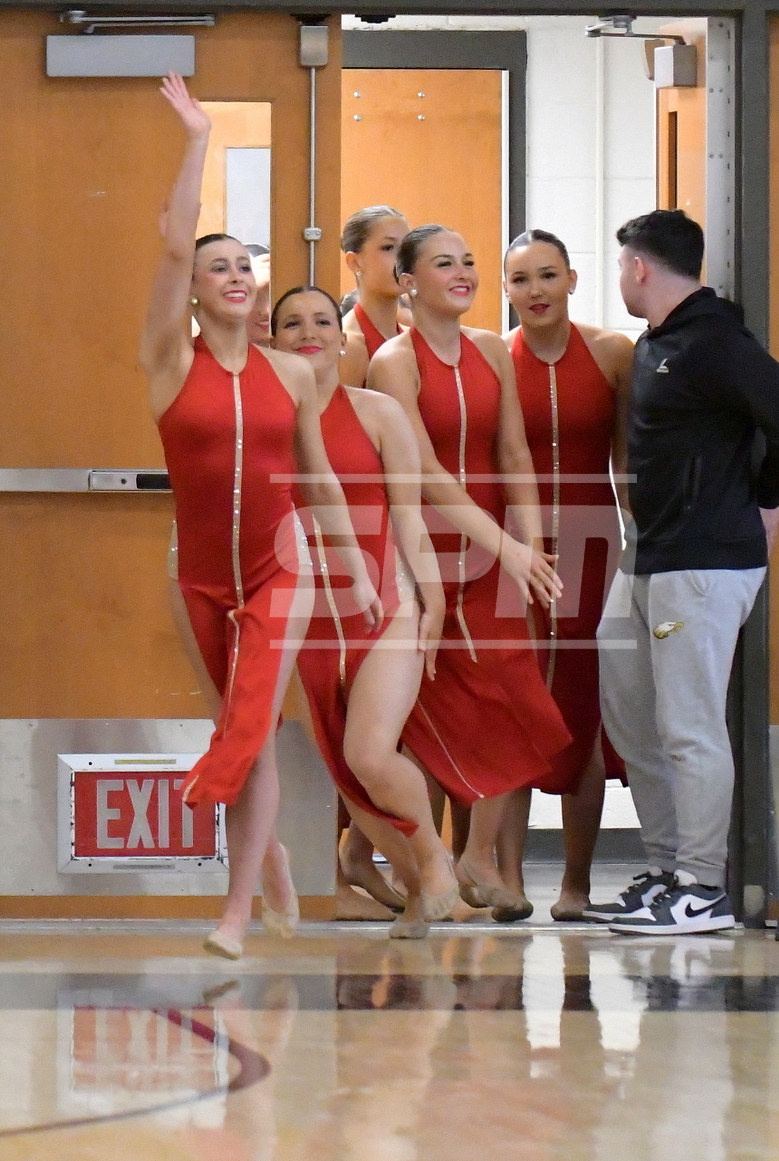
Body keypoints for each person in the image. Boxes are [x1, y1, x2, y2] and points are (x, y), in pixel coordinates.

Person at [142, 74, 381, 960]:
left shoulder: (292, 373)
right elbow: (174, 245)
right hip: (203, 578)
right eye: (220, 268)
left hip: (282, 568)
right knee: (248, 738)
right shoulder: (171, 362)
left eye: (246, 265)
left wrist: (355, 570)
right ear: (195, 291)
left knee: (250, 727)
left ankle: (235, 915)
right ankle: (268, 856)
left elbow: (320, 480)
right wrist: (198, 137)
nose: (236, 277)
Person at [595, 209, 779, 935]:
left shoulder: (716, 339)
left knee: (689, 724)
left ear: (639, 268)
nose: (621, 277)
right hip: (649, 555)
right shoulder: (657, 342)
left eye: (621, 266)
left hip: (703, 561)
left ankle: (702, 885)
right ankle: (666, 871)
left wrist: (767, 497)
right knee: (634, 718)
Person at [368, 224, 571, 920]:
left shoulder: (491, 350)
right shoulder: (394, 362)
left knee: (516, 699)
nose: (462, 273)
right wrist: (506, 547)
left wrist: (532, 546)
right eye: (443, 263)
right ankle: (404, 863)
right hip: (424, 553)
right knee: (428, 715)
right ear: (407, 282)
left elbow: (514, 453)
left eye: (469, 262)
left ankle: (476, 854)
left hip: (498, 553)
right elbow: (424, 473)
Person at [271, 284, 458, 937]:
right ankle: (417, 888)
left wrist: (434, 600)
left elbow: (409, 518)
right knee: (351, 778)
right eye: (292, 324)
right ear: (272, 341)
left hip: (385, 610)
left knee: (372, 755)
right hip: (305, 623)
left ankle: (433, 859)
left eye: (322, 321)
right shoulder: (263, 426)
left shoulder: (378, 414)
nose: (309, 333)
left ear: (342, 336)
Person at [501, 229, 633, 921]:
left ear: (573, 279)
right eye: (521, 279)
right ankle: (507, 880)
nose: (536, 290)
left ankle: (576, 885)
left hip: (593, 546)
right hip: (513, 550)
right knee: (515, 704)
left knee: (582, 708)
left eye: (548, 275)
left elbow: (627, 463)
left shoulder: (613, 353)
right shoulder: (494, 359)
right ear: (506, 289)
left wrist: (640, 547)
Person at [340, 206, 412, 387]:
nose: (403, 259)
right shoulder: (348, 345)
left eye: (407, 249)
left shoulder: (411, 336)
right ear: (354, 262)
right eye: (388, 248)